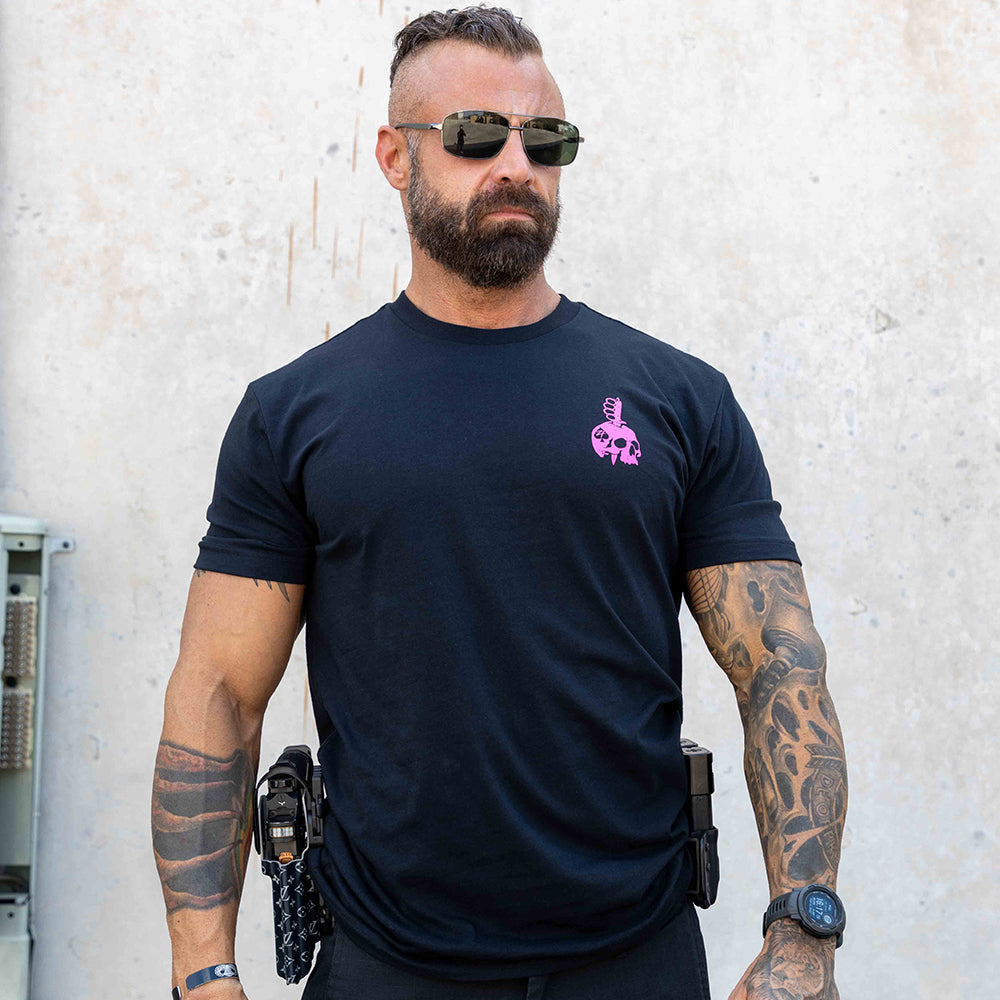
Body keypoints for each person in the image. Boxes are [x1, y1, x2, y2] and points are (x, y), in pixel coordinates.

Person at [151, 6, 848, 1000]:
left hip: (635, 958)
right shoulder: (294, 414)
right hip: (387, 966)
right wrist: (203, 971)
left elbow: (780, 664)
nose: (517, 164)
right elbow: (220, 690)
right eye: (477, 135)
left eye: (545, 139)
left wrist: (801, 935)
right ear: (395, 156)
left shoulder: (677, 399)